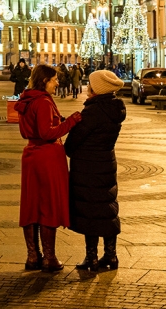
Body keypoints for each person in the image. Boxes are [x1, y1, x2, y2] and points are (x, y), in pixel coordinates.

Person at [15, 64, 82, 272]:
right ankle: (49, 258)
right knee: (48, 205)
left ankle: (32, 256)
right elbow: (46, 133)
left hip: (31, 156)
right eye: (54, 79)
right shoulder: (43, 101)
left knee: (31, 205)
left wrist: (58, 120)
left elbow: (29, 131)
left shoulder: (27, 99)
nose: (57, 83)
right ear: (44, 81)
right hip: (47, 157)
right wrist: (70, 122)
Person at [64, 70, 126, 272]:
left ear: (96, 88)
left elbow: (73, 141)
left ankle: (91, 257)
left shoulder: (93, 111)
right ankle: (111, 255)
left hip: (87, 166)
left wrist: (69, 149)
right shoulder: (115, 109)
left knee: (89, 210)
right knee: (107, 208)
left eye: (89, 84)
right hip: (107, 163)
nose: (87, 87)